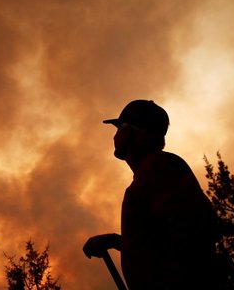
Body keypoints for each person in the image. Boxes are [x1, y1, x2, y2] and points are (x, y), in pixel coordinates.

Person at [83, 99, 223, 290]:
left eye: (118, 128)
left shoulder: (157, 167)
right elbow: (163, 241)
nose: (114, 136)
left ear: (129, 132)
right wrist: (119, 242)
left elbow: (195, 233)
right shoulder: (150, 173)